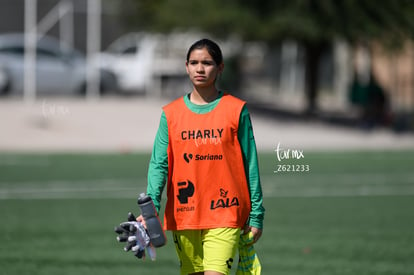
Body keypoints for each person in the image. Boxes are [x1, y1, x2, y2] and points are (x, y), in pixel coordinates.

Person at [143, 38, 265, 275]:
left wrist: (256, 215)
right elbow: (159, 164)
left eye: (207, 63)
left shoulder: (236, 109)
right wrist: (151, 209)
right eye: (194, 63)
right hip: (184, 215)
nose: (200, 69)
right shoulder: (171, 114)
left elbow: (251, 163)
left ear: (220, 68)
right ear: (186, 66)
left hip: (225, 212)